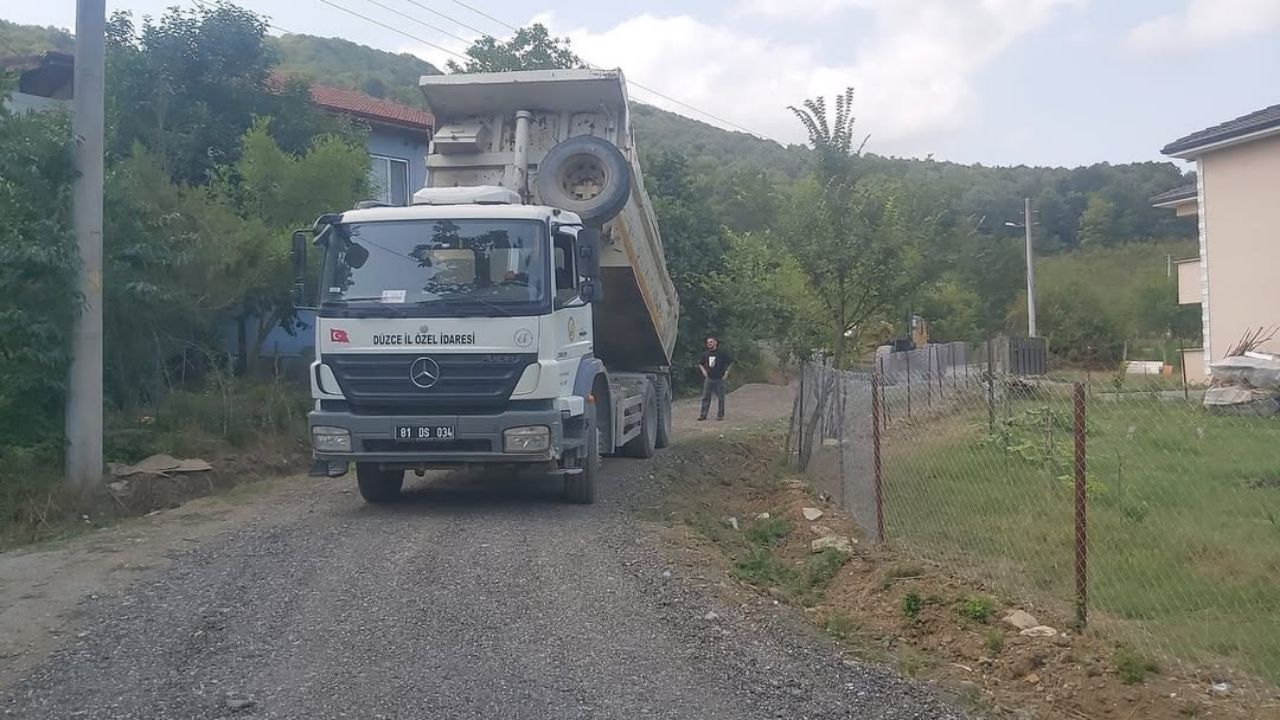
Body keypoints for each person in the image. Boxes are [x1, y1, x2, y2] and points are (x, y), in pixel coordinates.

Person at [697, 336, 734, 421]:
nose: (709, 344)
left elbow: (731, 362)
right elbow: (700, 363)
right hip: (709, 378)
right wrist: (704, 371)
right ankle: (703, 415)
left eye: (711, 342)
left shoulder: (721, 353)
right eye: (708, 342)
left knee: (720, 397)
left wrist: (727, 372)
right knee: (705, 397)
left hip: (719, 378)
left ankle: (720, 415)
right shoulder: (705, 354)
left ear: (716, 343)